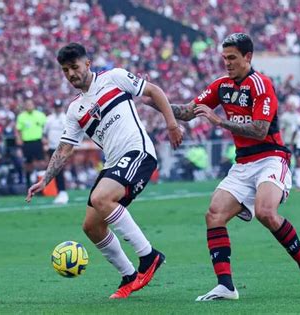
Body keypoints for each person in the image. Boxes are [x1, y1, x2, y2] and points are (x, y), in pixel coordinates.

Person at [148, 33, 300, 301]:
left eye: (232, 58)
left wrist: (219, 122)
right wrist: (154, 102)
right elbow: (188, 110)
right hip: (243, 164)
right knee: (214, 214)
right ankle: (226, 286)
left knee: (266, 212)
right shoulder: (221, 85)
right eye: (224, 58)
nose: (227, 63)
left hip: (271, 157)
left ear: (248, 57)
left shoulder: (261, 84)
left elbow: (259, 129)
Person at [26, 43, 183, 299]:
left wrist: (172, 124)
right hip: (113, 163)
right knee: (91, 226)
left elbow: (153, 91)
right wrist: (45, 178)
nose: (71, 74)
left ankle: (149, 256)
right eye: (65, 70)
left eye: (74, 67)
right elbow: (65, 149)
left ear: (87, 63)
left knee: (101, 198)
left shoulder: (114, 78)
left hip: (138, 152)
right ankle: (129, 275)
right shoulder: (75, 109)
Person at [16, 99, 47, 187]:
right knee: (28, 164)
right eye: (27, 104)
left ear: (34, 105)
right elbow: (18, 130)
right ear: (25, 106)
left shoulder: (40, 115)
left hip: (38, 141)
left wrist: (45, 138)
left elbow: (45, 127)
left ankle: (41, 183)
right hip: (27, 142)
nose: (29, 106)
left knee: (41, 163)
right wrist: (19, 141)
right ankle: (28, 184)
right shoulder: (21, 116)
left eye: (31, 104)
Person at [43, 100, 69, 204]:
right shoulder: (49, 119)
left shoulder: (66, 118)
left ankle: (62, 191)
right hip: (52, 147)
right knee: (55, 170)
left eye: (59, 107)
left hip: (62, 147)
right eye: (56, 107)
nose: (58, 109)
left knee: (59, 169)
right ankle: (60, 192)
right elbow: (44, 133)